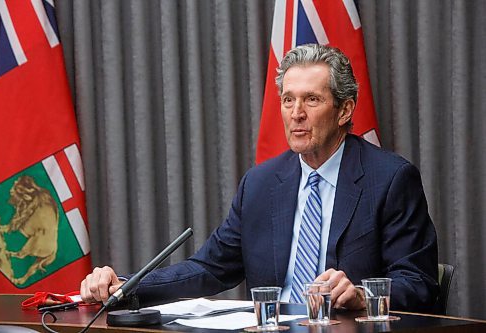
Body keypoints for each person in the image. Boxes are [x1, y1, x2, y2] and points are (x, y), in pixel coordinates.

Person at [80, 44, 439, 312]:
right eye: (287, 100)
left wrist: (361, 295)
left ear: (345, 110)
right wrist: (126, 287)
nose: (296, 114)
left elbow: (419, 283)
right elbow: (209, 269)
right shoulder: (262, 183)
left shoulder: (390, 180)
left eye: (311, 100)